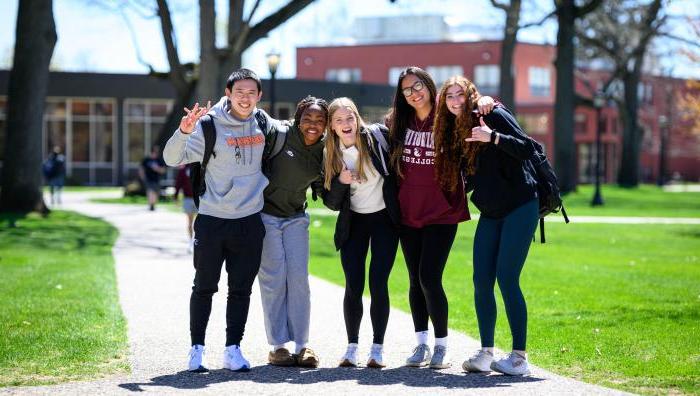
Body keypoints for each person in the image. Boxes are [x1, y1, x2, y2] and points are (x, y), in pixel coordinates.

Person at [163, 68, 284, 373]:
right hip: (213, 220)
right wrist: (184, 131)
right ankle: (197, 349)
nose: (245, 98)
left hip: (249, 221)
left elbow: (293, 134)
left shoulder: (262, 122)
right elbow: (171, 158)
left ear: (259, 96)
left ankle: (233, 349)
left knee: (241, 290)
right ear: (228, 93)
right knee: (204, 287)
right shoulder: (208, 126)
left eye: (251, 93)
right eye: (239, 92)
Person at [386, 67, 493, 369]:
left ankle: (441, 346)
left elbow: (474, 112)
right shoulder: (396, 121)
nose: (413, 93)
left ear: (430, 85)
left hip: (442, 212)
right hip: (408, 211)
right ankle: (420, 344)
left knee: (429, 277)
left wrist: (485, 100)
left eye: (417, 86)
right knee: (414, 280)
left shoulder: (447, 116)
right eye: (406, 90)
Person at [433, 76, 538, 376]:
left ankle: (519, 357)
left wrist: (493, 137)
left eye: (460, 94)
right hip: (491, 212)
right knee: (481, 280)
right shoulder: (453, 131)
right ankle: (486, 352)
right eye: (449, 96)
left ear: (470, 95)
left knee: (507, 278)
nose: (454, 100)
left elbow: (528, 148)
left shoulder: (491, 113)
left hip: (520, 205)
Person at [323, 97, 401, 368]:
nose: (346, 124)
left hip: (384, 221)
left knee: (378, 284)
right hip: (353, 223)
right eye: (339, 120)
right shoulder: (329, 153)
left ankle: (377, 349)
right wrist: (342, 183)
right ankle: (351, 347)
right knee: (353, 286)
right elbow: (330, 202)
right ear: (332, 126)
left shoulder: (377, 138)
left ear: (357, 119)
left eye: (350, 118)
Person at [257, 96, 328, 368]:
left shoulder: (324, 149)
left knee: (299, 279)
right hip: (266, 216)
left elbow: (325, 189)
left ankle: (302, 346)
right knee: (273, 279)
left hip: (297, 217)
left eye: (319, 120)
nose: (313, 124)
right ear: (298, 118)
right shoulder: (280, 134)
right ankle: (278, 347)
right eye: (308, 118)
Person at [173, 164, 197, 253]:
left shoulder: (198, 167)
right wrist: (175, 196)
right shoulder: (183, 170)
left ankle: (197, 242)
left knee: (199, 223)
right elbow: (178, 183)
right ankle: (191, 242)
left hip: (199, 199)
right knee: (190, 222)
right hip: (187, 198)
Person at [140, 145, 166, 211]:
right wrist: (142, 176)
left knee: (156, 193)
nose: (155, 153)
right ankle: (151, 205)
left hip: (157, 179)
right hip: (148, 179)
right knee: (150, 191)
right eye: (154, 152)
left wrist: (157, 169)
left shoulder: (159, 160)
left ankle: (153, 204)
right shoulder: (146, 160)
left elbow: (163, 170)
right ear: (151, 152)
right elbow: (141, 169)